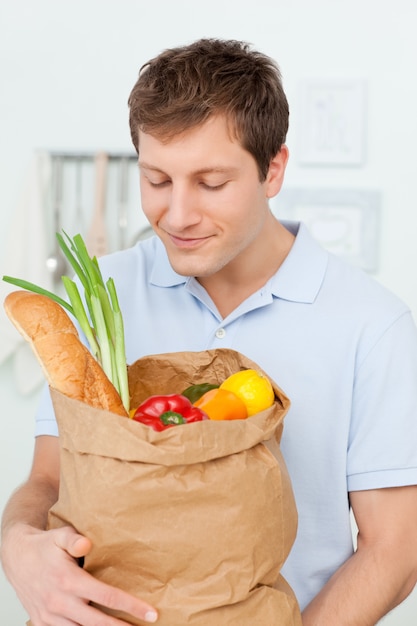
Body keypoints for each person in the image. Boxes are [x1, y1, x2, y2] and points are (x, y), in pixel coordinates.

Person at [1, 38, 417, 626]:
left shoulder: (372, 324)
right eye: (157, 180)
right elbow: (47, 479)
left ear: (273, 169)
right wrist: (18, 546)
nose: (177, 215)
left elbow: (394, 550)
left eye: (211, 183)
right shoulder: (102, 297)